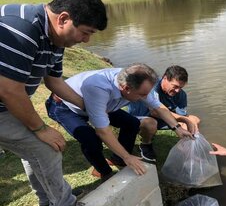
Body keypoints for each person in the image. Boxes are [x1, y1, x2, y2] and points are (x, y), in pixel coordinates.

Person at [0, 0, 107, 206]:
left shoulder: (54, 37)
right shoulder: (22, 28)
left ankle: (48, 199)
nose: (86, 40)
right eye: (86, 32)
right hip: (5, 101)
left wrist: (88, 107)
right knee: (47, 148)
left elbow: (54, 81)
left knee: (34, 151)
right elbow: (9, 90)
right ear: (64, 19)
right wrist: (40, 128)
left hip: (6, 102)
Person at [46, 63, 194, 180]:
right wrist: (128, 157)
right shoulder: (98, 88)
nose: (146, 97)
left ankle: (118, 159)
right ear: (126, 88)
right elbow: (103, 131)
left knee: (132, 123)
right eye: (142, 95)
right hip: (65, 106)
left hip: (102, 105)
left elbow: (158, 107)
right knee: (91, 139)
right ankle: (104, 171)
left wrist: (177, 128)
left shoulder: (136, 82)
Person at [128, 65, 200, 162]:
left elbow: (181, 115)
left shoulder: (181, 94)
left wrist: (188, 121)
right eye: (175, 86)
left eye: (180, 87)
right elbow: (155, 112)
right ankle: (145, 144)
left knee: (194, 119)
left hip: (163, 119)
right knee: (151, 123)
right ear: (165, 78)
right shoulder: (151, 86)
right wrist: (185, 120)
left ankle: (188, 151)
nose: (177, 90)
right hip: (142, 118)